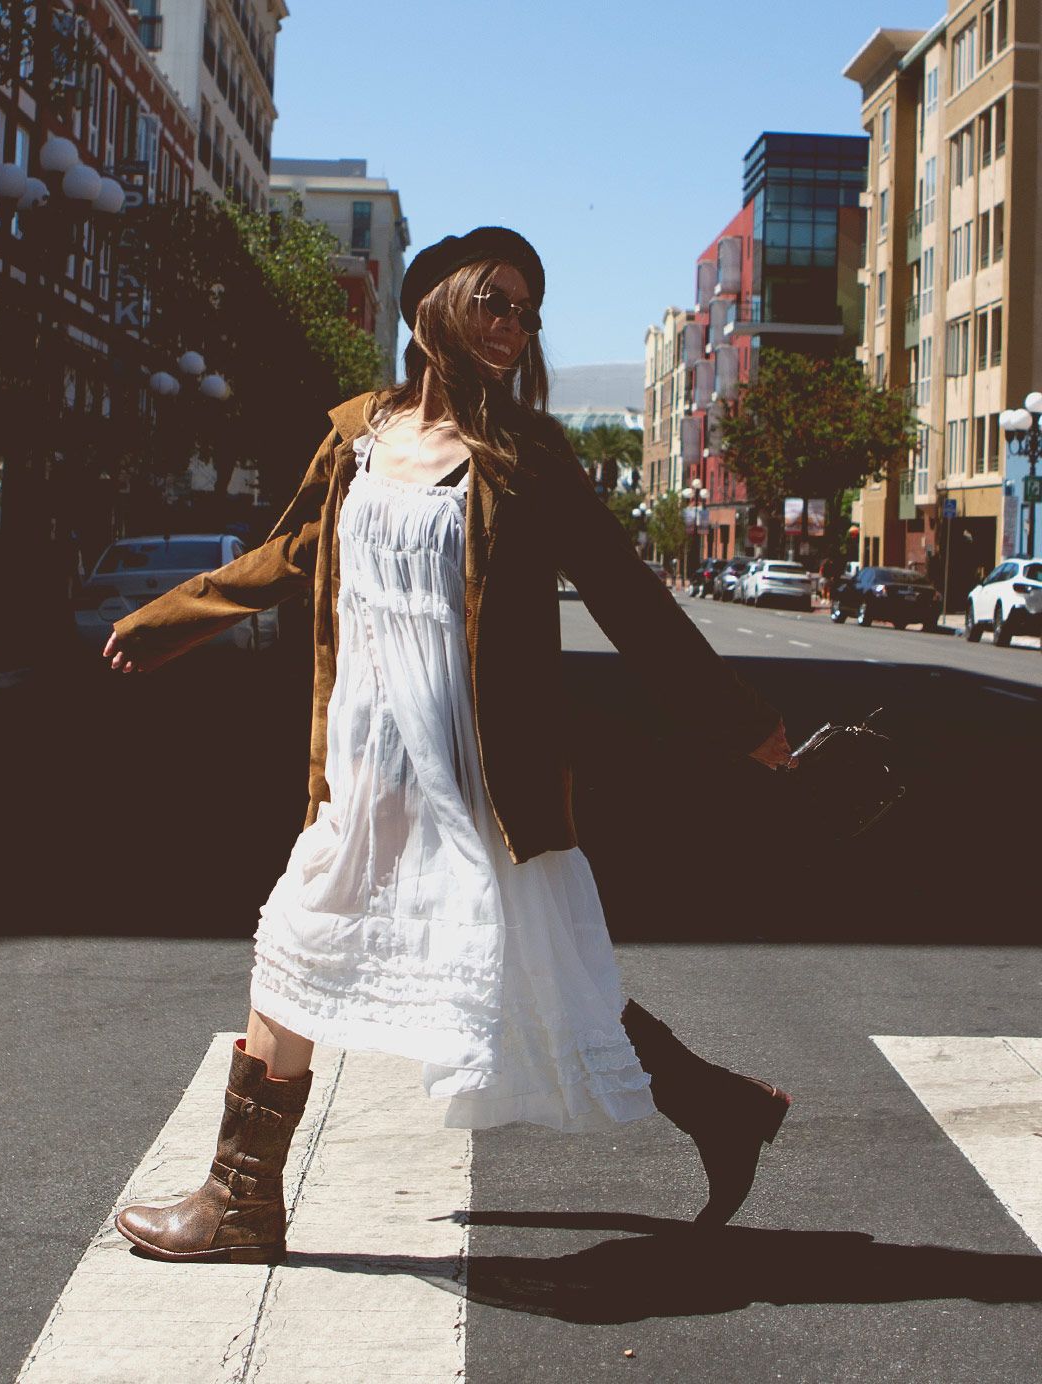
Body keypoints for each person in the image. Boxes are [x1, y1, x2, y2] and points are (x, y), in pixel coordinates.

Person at [104, 228, 795, 1266]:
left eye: (529, 313)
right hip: (370, 767)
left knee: (546, 977)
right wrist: (169, 622)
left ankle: (719, 1108)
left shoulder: (528, 460)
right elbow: (290, 552)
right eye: (498, 301)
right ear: (434, 303)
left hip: (484, 779)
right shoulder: (356, 438)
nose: (516, 327)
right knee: (296, 940)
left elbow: (629, 599)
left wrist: (744, 722)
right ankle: (241, 1200)